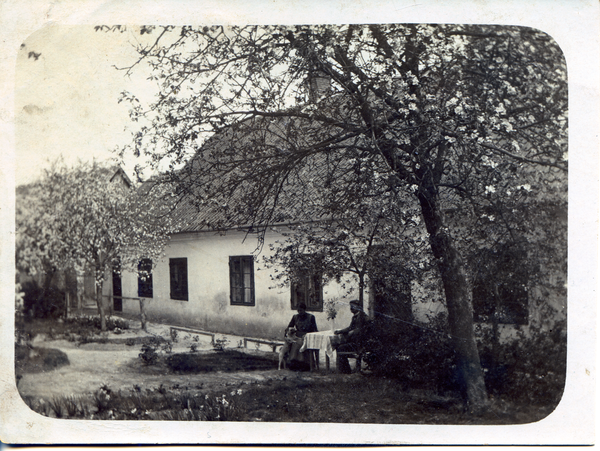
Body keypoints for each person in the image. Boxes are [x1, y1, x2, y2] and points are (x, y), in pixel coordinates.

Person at [333, 300, 369, 373]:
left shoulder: (362, 317)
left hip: (359, 343)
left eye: (353, 307)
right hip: (354, 341)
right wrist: (340, 331)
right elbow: (350, 328)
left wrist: (353, 332)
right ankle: (345, 369)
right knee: (339, 346)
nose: (351, 308)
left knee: (341, 347)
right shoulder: (355, 317)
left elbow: (362, 330)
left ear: (358, 307)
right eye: (350, 307)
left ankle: (345, 370)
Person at [282, 302, 318, 369]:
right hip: (297, 336)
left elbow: (315, 329)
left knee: (300, 343)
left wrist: (309, 335)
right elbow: (289, 326)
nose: (299, 312)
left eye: (301, 310)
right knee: (294, 342)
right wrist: (289, 331)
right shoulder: (295, 317)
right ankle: (294, 363)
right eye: (298, 310)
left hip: (307, 336)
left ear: (304, 310)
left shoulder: (311, 317)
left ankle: (304, 364)